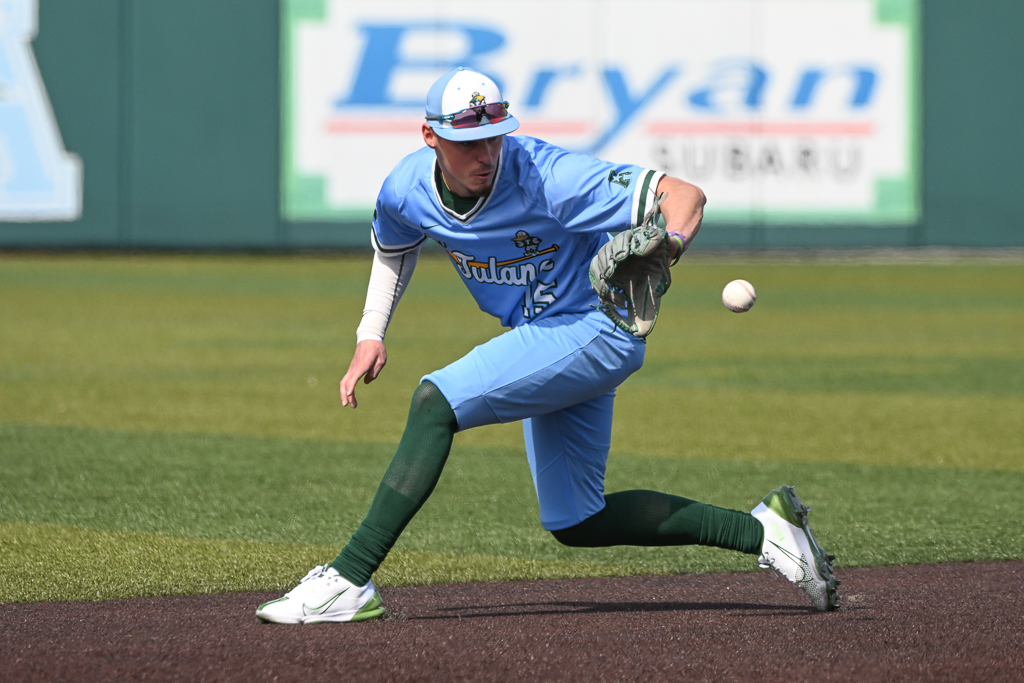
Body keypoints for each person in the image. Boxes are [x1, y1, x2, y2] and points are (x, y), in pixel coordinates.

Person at [256, 67, 839, 624]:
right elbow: (394, 245)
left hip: (599, 325)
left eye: (494, 137)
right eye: (468, 143)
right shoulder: (406, 188)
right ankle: (767, 532)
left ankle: (349, 580)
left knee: (436, 402)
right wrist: (370, 332)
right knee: (576, 518)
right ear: (430, 137)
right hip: (548, 338)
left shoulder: (546, 174)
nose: (486, 154)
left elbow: (685, 194)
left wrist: (672, 243)